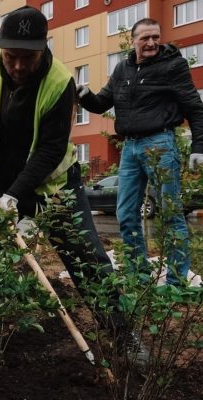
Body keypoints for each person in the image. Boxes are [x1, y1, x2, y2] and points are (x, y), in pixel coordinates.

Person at [0, 5, 146, 360]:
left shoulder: (61, 82)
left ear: (43, 50)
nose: (17, 66)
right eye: (11, 57)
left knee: (87, 259)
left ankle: (123, 336)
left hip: (55, 185)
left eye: (27, 58)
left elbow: (49, 151)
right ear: (1, 49)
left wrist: (17, 196)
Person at [76, 18, 203, 285]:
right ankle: (138, 274)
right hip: (130, 147)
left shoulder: (173, 66)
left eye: (155, 37)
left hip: (160, 143)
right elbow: (101, 104)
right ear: (133, 40)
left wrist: (198, 146)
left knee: (169, 213)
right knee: (126, 212)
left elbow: (194, 106)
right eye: (145, 38)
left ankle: (177, 282)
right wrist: (84, 94)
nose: (151, 42)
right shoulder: (122, 69)